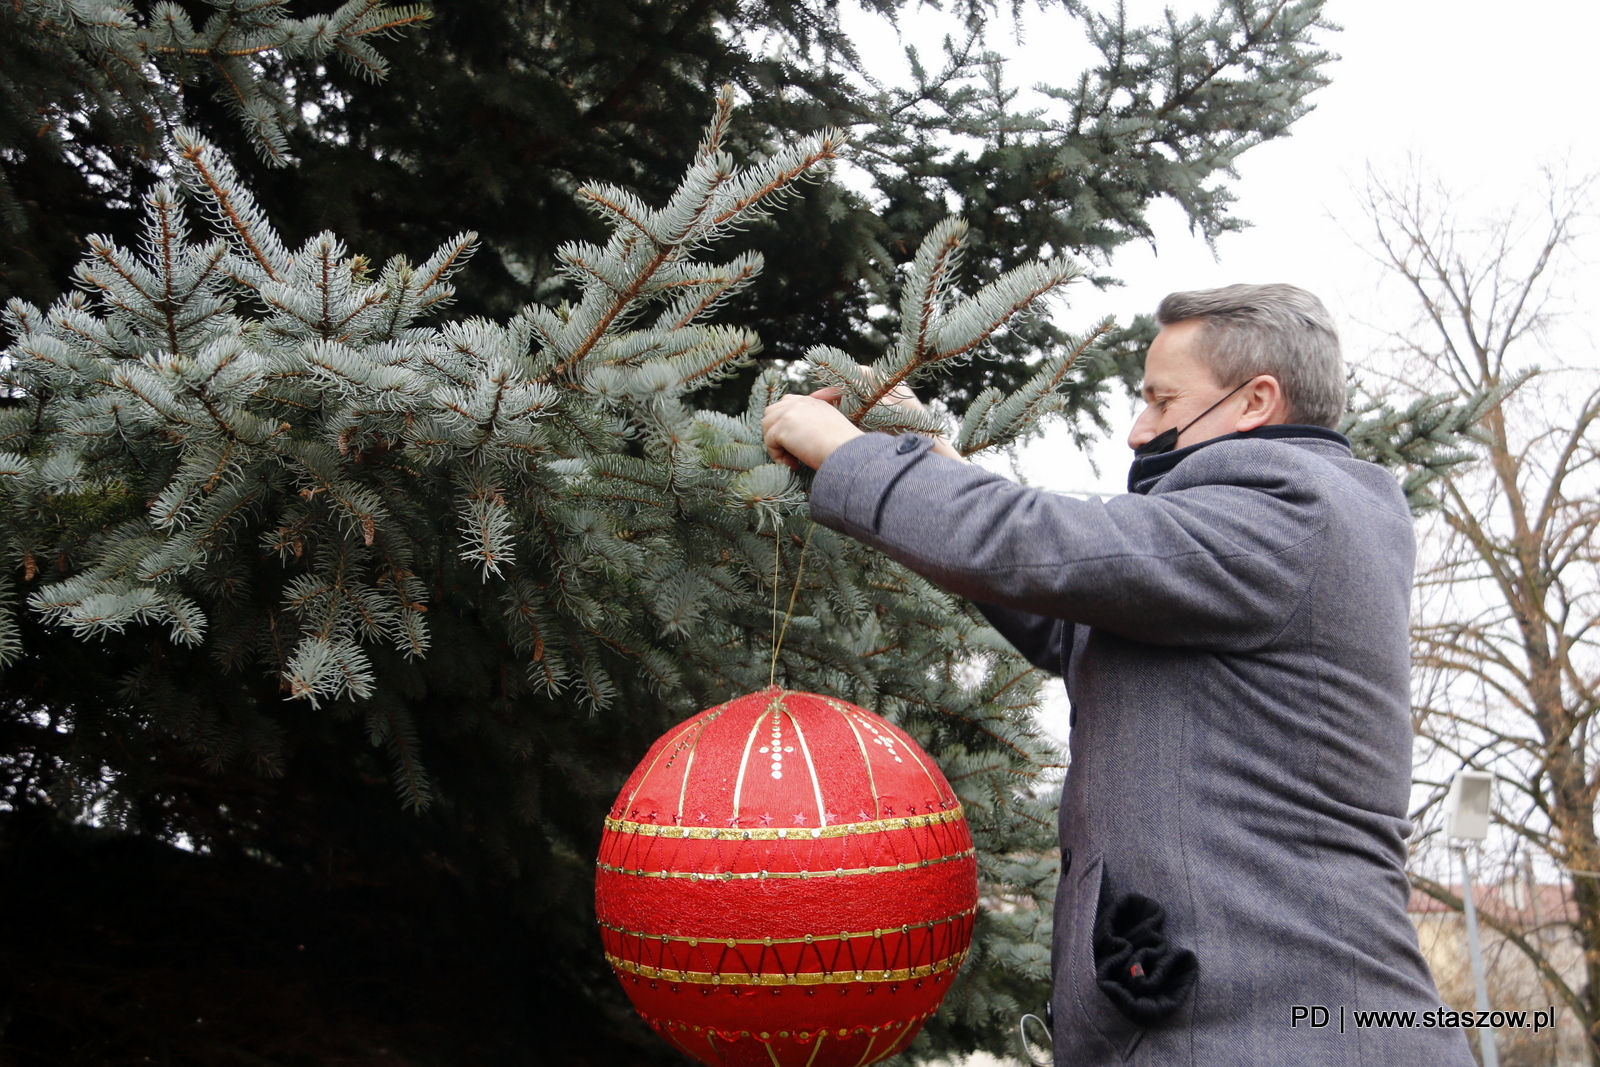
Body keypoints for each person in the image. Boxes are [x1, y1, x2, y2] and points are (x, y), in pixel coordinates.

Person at [761, 284, 1473, 1066]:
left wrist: (849, 453)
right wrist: (929, 455)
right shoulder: (1264, 539)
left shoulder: (1290, 510)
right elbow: (1064, 611)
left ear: (1255, 401)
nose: (1140, 430)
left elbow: (1036, 545)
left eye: (1162, 400)